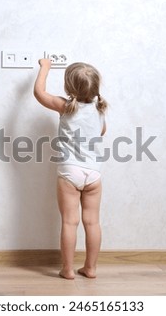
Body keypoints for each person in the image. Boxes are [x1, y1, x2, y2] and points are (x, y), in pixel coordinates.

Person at [33, 59, 107, 279]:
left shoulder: (65, 106)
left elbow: (39, 92)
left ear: (69, 88)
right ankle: (91, 268)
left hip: (70, 172)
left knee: (69, 221)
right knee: (92, 221)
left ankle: (67, 269)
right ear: (95, 88)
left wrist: (45, 66)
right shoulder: (100, 109)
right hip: (94, 173)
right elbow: (101, 132)